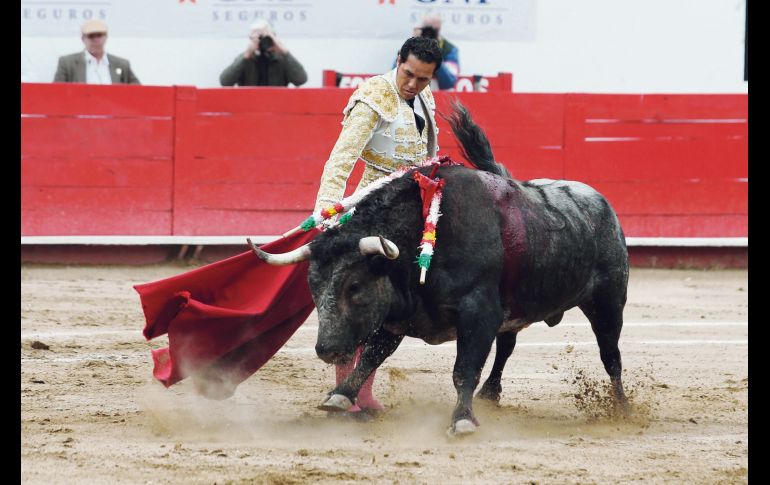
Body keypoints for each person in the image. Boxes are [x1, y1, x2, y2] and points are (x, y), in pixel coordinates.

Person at [313, 36, 443, 416]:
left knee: (394, 304)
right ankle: (344, 388)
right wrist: (328, 209)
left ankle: (362, 390)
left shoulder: (425, 97)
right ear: (398, 60)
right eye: (408, 74)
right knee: (360, 298)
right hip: (373, 207)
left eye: (423, 78)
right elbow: (342, 157)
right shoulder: (373, 96)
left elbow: (428, 154)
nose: (413, 84)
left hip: (413, 211)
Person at [220, 20, 308, 87]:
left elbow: (301, 80)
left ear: (274, 37)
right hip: (250, 104)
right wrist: (246, 55)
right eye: (259, 37)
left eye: (266, 37)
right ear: (251, 38)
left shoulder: (282, 59)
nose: (262, 41)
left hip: (277, 104)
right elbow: (225, 82)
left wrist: (285, 51)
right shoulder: (246, 58)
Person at [53, 19, 141, 84]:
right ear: (83, 39)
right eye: (91, 36)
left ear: (106, 37)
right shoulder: (67, 63)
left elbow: (138, 91)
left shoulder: (121, 64)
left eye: (99, 35)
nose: (95, 40)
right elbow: (57, 92)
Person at [409, 12, 460, 90]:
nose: (430, 33)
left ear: (440, 28)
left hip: (437, 95)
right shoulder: (410, 46)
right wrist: (412, 44)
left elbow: (449, 83)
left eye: (435, 30)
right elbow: (395, 74)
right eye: (427, 29)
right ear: (421, 28)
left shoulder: (449, 50)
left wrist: (436, 54)